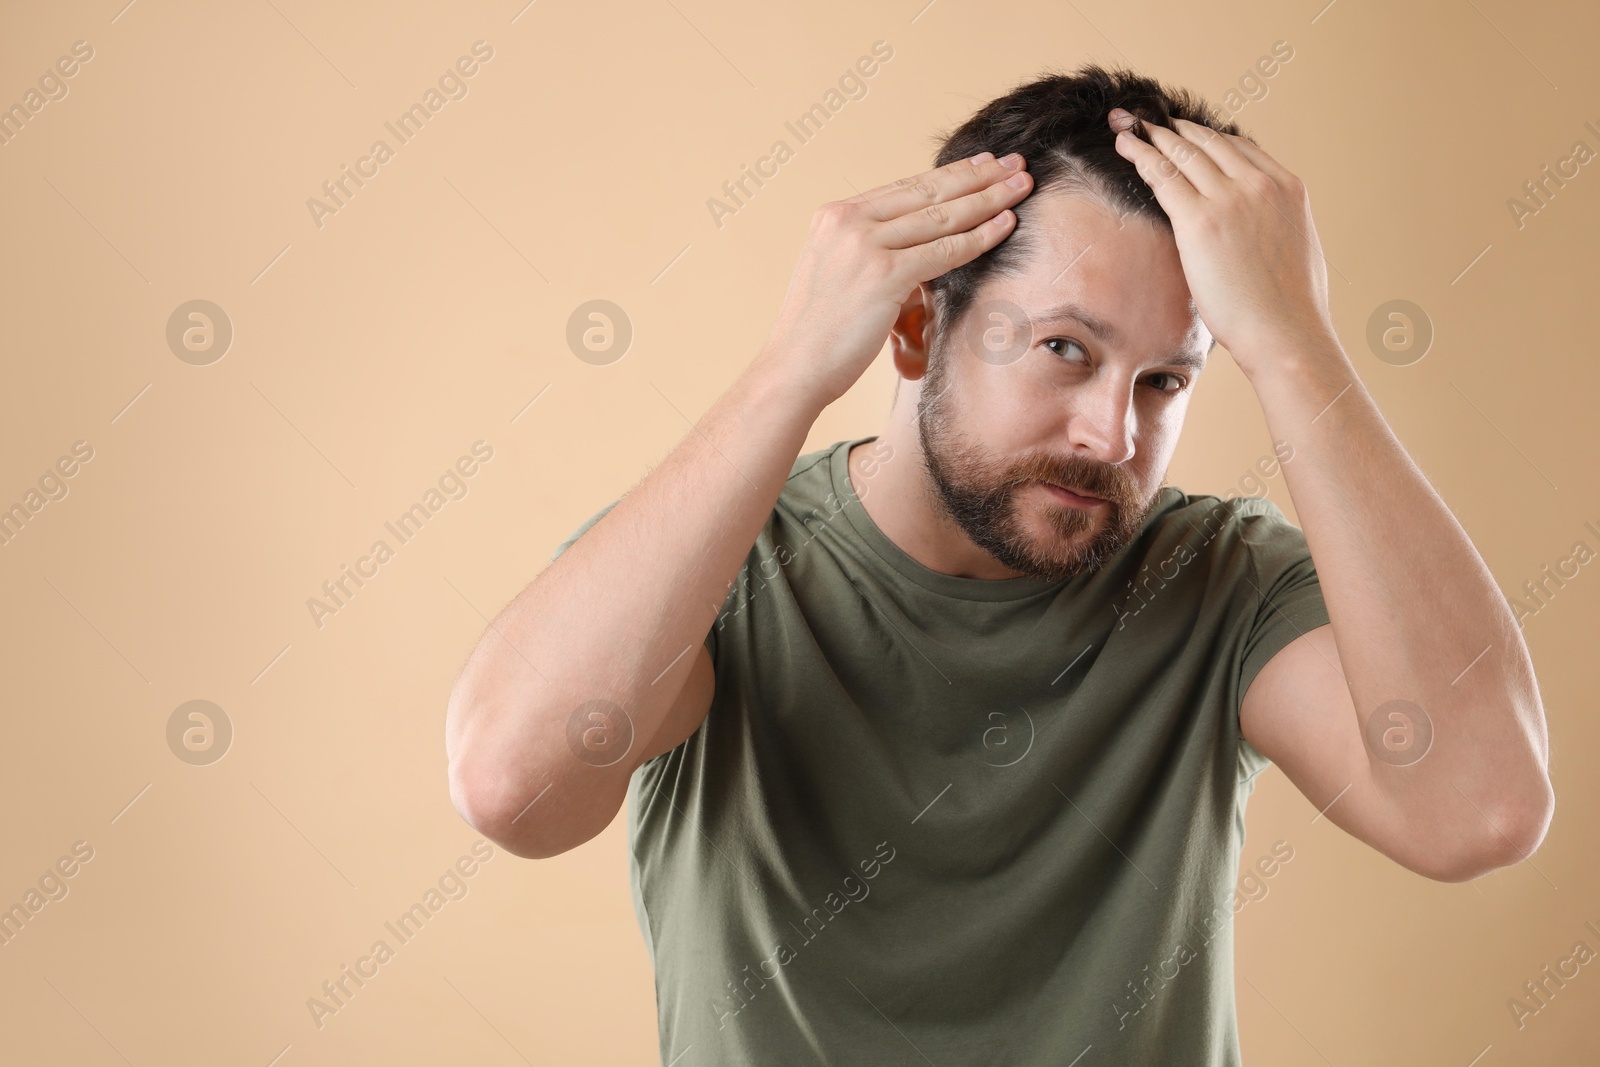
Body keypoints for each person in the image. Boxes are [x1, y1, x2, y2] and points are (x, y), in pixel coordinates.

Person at [444, 63, 1552, 1065]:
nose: (1111, 434)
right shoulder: (721, 562)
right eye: (1064, 349)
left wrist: (1294, 341)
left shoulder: (1217, 582)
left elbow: (1479, 809)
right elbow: (513, 789)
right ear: (916, 329)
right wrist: (789, 370)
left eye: (1166, 379)